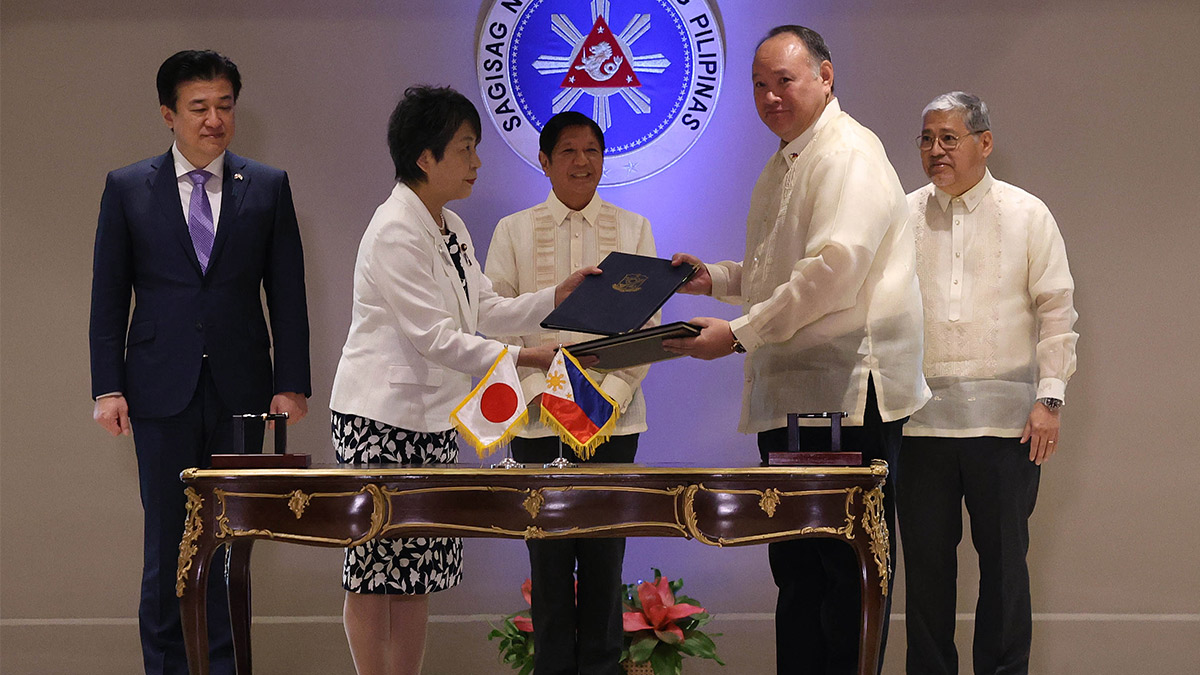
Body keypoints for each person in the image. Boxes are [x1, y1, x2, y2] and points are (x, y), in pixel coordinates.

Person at [664, 25, 929, 674]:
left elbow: (833, 270)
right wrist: (717, 279)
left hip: (843, 395)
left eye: (785, 79)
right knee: (798, 568)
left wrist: (739, 335)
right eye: (759, 84)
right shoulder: (791, 159)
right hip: (799, 398)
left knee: (843, 572)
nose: (770, 96)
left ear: (826, 76)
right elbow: (780, 271)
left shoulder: (847, 155)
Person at [327, 86, 598, 675]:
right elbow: (435, 337)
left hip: (429, 417)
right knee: (376, 568)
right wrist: (526, 359)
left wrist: (557, 297)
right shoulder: (396, 228)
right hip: (381, 418)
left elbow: (481, 310)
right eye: (466, 148)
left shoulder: (448, 225)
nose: (478, 162)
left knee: (417, 567)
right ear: (425, 157)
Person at [89, 49, 311, 675]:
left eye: (225, 106)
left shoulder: (266, 186)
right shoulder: (129, 187)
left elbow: (287, 293)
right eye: (199, 108)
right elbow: (108, 297)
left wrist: (290, 384)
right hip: (159, 389)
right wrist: (108, 387)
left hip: (243, 390)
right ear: (168, 114)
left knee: (227, 546)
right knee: (167, 546)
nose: (214, 119)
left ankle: (221, 666)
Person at [897, 92, 1078, 675]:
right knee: (925, 577)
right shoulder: (902, 215)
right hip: (919, 427)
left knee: (1005, 572)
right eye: (926, 139)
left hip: (1007, 429)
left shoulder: (1027, 214)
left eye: (948, 138)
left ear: (984, 143)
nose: (935, 151)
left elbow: (1057, 311)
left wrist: (1050, 399)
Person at [485, 111, 657, 675]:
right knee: (549, 563)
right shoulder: (512, 230)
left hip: (614, 418)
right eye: (568, 151)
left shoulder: (633, 228)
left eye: (592, 150)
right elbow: (497, 322)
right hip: (536, 420)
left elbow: (645, 329)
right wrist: (545, 395)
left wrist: (600, 399)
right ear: (544, 160)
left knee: (606, 563)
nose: (582, 162)